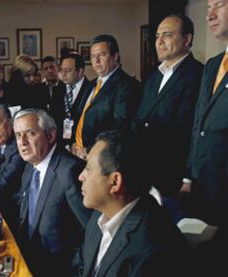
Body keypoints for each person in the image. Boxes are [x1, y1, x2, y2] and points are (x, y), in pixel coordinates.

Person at [74, 130, 189, 277]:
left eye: (88, 168)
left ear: (115, 182)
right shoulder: (99, 215)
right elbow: (81, 268)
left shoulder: (153, 249)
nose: (80, 176)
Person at [134, 14, 203, 222]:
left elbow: (194, 129)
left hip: (174, 178)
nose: (159, 41)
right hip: (147, 174)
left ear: (187, 39)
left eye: (167, 35)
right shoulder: (154, 76)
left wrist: (187, 177)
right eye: (157, 36)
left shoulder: (199, 74)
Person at [13, 109, 90, 277]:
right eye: (18, 135)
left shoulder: (70, 171)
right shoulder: (29, 166)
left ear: (50, 135)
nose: (22, 142)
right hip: (28, 261)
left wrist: (73, 268)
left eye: (30, 133)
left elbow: (92, 229)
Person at [181, 1, 228, 275]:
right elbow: (198, 124)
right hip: (202, 187)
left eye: (219, 5)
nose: (209, 15)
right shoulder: (212, 65)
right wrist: (188, 176)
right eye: (208, 6)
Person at [72, 34, 140, 159]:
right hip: (78, 154)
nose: (96, 60)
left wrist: (89, 150)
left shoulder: (126, 85)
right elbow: (80, 116)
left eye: (102, 55)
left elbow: (120, 128)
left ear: (115, 57)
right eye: (93, 56)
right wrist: (73, 143)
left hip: (101, 158)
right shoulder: (91, 84)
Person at [56, 53, 91, 145]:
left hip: (83, 143)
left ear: (80, 71)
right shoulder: (57, 89)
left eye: (67, 70)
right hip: (61, 143)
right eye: (61, 70)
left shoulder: (91, 89)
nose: (63, 74)